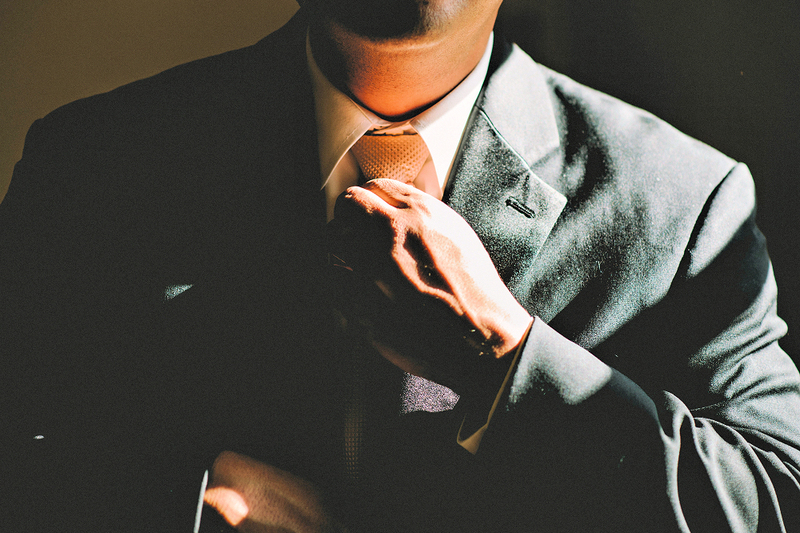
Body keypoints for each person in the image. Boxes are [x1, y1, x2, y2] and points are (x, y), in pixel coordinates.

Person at [2, 1, 799, 531]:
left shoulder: (684, 202)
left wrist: (506, 353)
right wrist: (172, 500)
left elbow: (775, 500)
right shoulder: (94, 164)